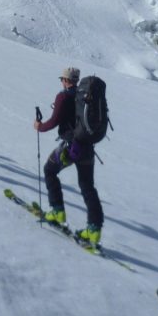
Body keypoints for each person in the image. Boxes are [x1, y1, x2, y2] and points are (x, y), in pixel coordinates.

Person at [34, 67, 104, 248]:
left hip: (70, 148)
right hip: (87, 147)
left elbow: (53, 121)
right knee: (88, 186)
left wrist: (39, 126)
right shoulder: (85, 96)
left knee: (49, 170)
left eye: (62, 79)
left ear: (66, 80)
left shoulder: (63, 96)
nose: (61, 82)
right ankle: (94, 230)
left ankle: (57, 211)